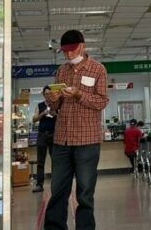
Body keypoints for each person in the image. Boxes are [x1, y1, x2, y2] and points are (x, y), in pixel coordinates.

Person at [44, 29, 109, 230]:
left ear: (82, 46)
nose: (69, 54)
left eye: (72, 49)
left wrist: (79, 94)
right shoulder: (61, 71)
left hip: (87, 141)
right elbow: (55, 108)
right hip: (62, 140)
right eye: (65, 51)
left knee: (85, 193)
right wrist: (52, 99)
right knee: (58, 190)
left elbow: (102, 102)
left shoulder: (98, 70)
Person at [32, 85, 57, 193]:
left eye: (49, 94)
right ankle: (39, 184)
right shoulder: (40, 105)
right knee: (40, 161)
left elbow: (62, 119)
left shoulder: (56, 105)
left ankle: (55, 184)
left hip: (54, 135)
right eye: (46, 94)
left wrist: (55, 114)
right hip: (42, 135)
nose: (48, 95)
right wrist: (43, 113)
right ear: (43, 95)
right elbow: (34, 119)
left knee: (55, 161)